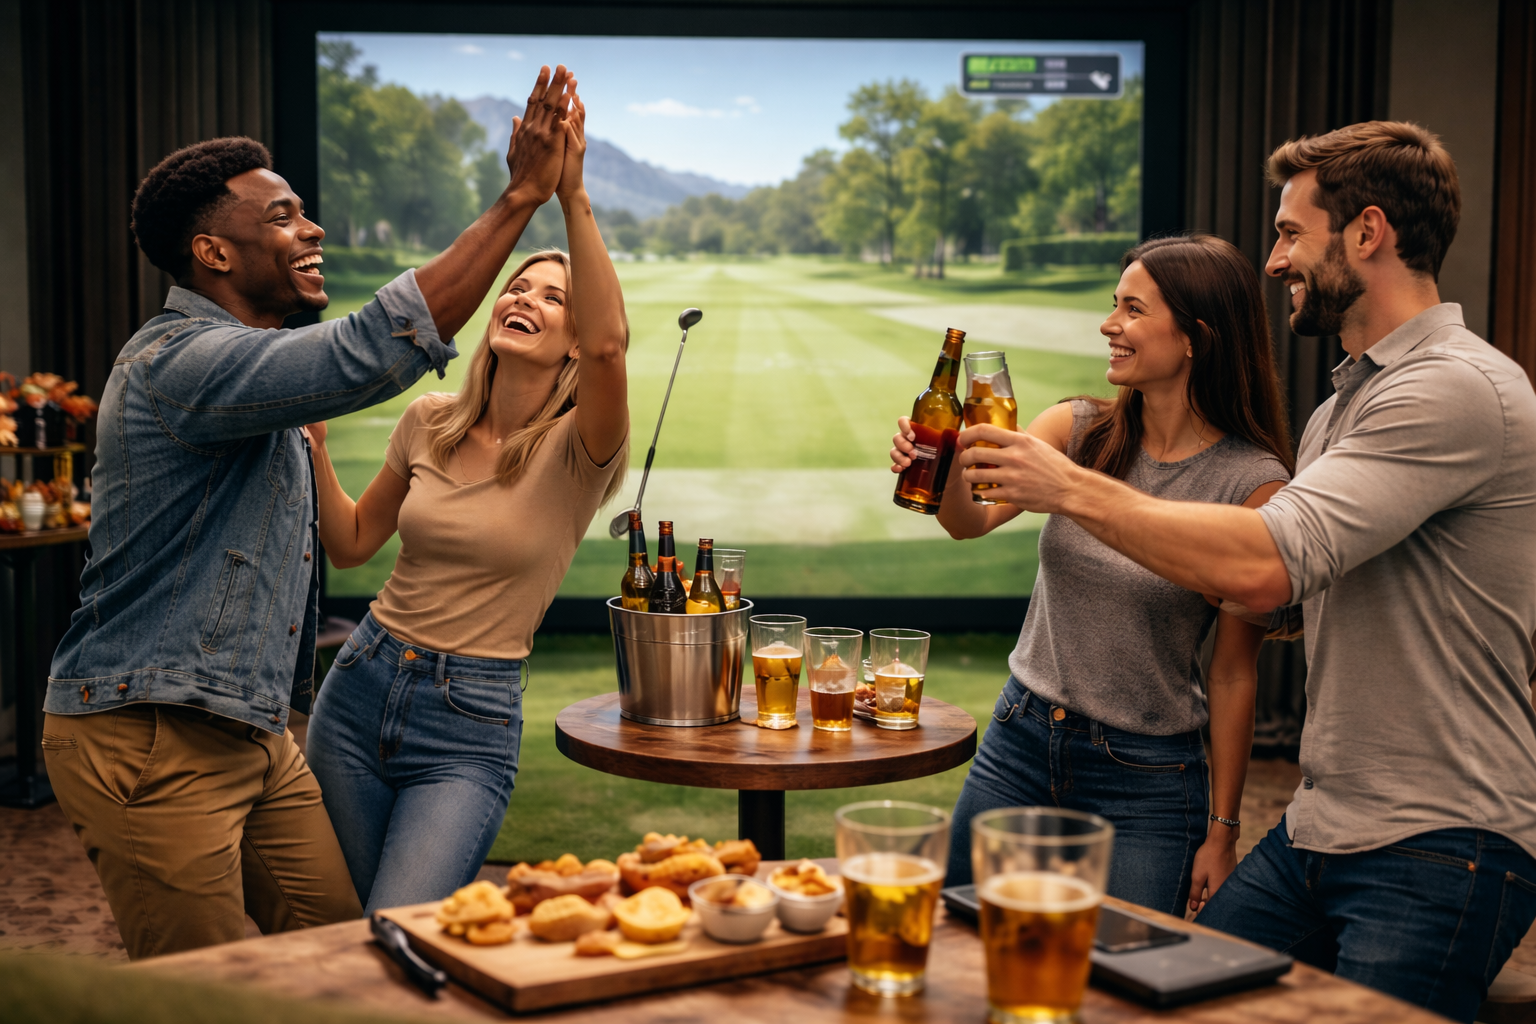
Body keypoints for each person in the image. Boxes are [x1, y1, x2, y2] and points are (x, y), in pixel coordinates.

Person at [953, 121, 1536, 1023]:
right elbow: (1287, 587)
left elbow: (1265, 569)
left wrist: (1069, 487)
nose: (1274, 262)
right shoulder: (1346, 407)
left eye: (1290, 233)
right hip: (1323, 826)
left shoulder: (1453, 387)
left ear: (1368, 232)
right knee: (1158, 1000)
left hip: (1439, 838)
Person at [40, 66, 579, 959]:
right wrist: (524, 193)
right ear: (214, 253)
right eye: (283, 215)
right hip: (151, 733)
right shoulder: (184, 363)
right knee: (208, 996)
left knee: (350, 964)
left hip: (253, 733)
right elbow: (378, 350)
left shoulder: (251, 368)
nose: (312, 225)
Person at [891, 235, 1293, 915]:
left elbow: (1231, 672)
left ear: (1195, 337)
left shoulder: (1251, 485)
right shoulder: (1077, 430)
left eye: (1132, 310)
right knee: (960, 939)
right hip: (1019, 740)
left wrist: (1223, 833)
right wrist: (947, 461)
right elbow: (969, 522)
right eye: (1114, 305)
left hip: (1148, 778)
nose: (1110, 325)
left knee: (1122, 981)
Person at [302, 85, 629, 914]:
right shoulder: (428, 420)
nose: (527, 300)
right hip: (359, 683)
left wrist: (572, 194)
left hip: (468, 720)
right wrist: (310, 447)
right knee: (346, 928)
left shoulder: (582, 451)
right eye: (519, 289)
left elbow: (610, 342)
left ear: (569, 347)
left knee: (399, 925)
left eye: (554, 298)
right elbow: (350, 545)